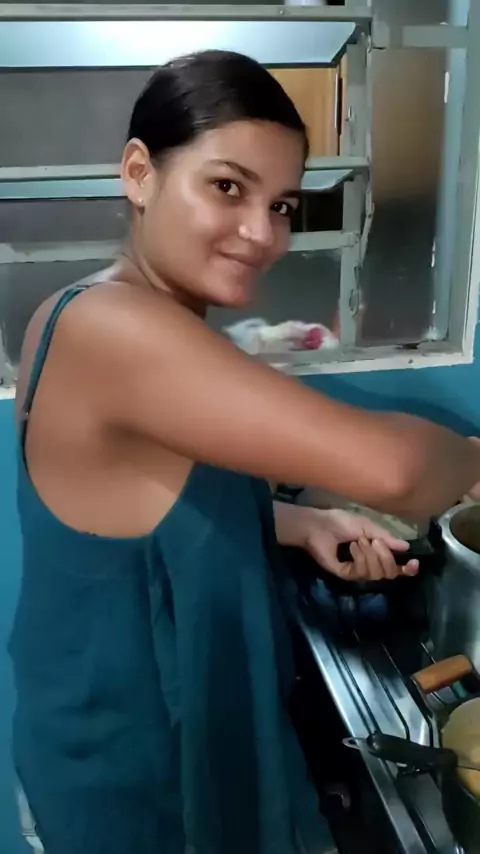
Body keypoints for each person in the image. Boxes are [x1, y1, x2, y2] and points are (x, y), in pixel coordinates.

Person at [10, 50, 480, 854]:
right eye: (228, 187)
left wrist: (298, 524)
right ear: (139, 173)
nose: (263, 233)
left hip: (114, 752)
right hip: (131, 794)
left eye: (283, 204)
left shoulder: (91, 311)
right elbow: (397, 472)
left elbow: (142, 504)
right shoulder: (108, 329)